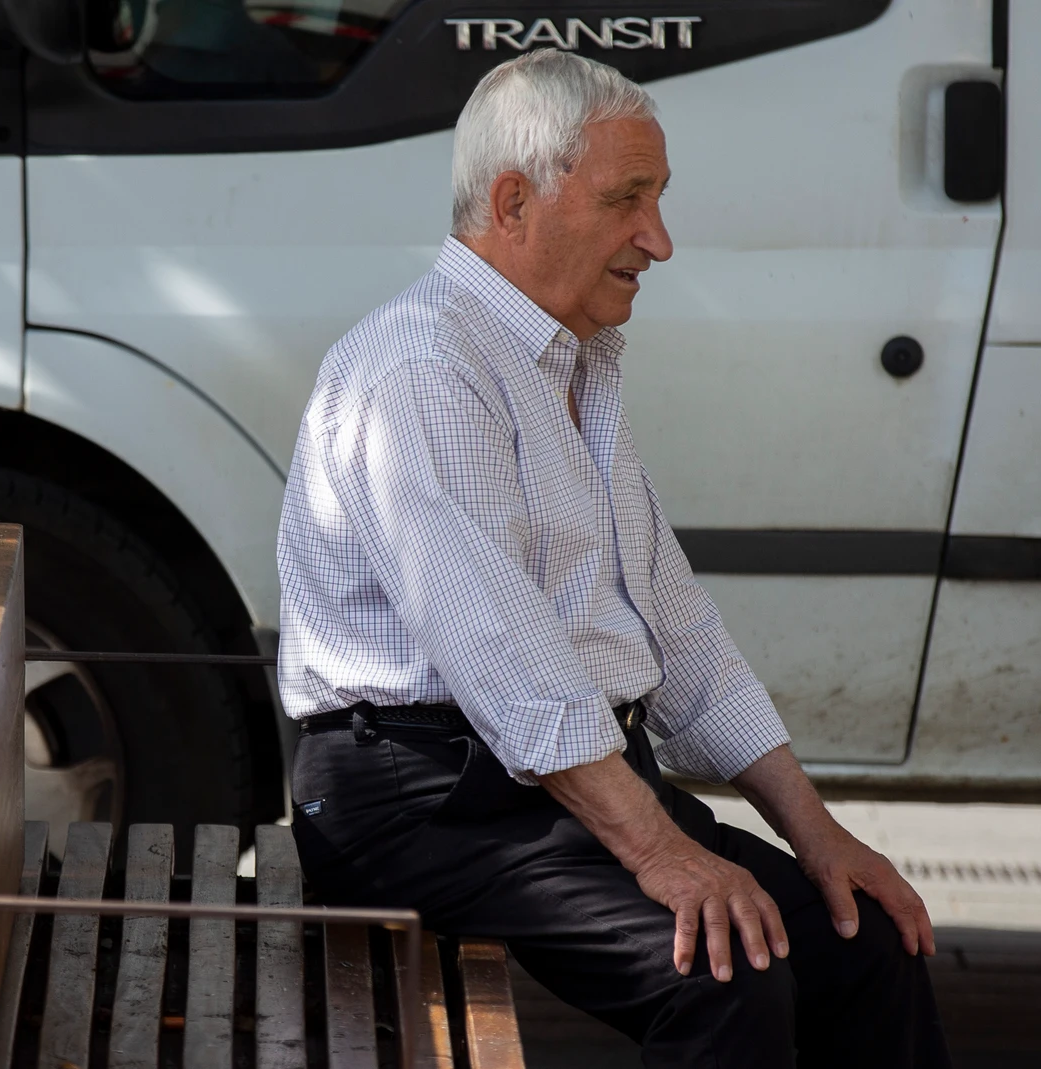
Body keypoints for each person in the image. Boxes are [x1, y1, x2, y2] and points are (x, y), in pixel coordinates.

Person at [276, 49, 948, 1067]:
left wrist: (818, 836)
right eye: (626, 199)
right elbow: (510, 664)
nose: (659, 240)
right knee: (729, 975)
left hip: (554, 780)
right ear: (513, 202)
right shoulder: (423, 365)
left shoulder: (569, 357)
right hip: (423, 800)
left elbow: (675, 630)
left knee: (863, 939)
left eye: (659, 199)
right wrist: (660, 849)